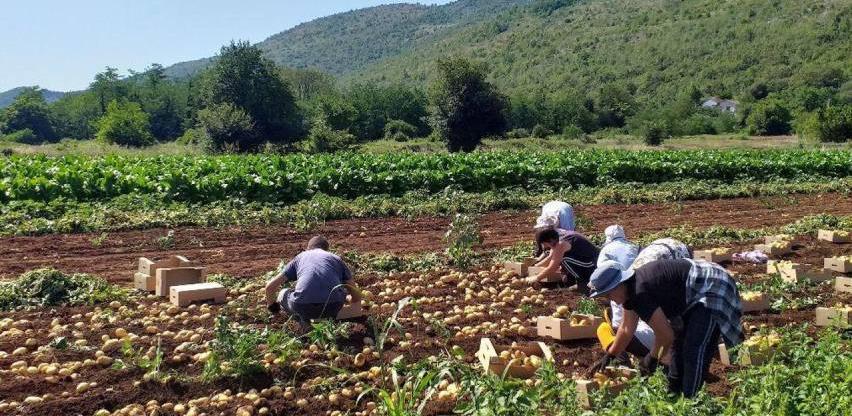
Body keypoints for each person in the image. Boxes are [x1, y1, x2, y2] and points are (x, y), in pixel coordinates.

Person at [586, 259, 743, 397]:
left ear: (618, 285)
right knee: (678, 346)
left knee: (694, 348)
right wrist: (611, 354)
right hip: (692, 292)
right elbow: (627, 328)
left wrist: (652, 358)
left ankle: (690, 401)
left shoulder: (639, 292)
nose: (609, 300)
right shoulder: (629, 292)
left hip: (711, 285)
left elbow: (666, 335)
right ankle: (674, 392)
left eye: (608, 295)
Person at [265, 236, 362, 329]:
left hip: (303, 307)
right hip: (333, 307)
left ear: (308, 248)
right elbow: (356, 295)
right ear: (326, 249)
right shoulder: (336, 258)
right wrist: (349, 302)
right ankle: (327, 318)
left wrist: (274, 310)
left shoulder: (300, 257)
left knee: (283, 293)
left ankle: (303, 321)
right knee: (341, 290)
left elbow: (270, 287)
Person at [595, 226, 650, 357]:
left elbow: (603, 273)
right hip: (635, 281)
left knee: (620, 322)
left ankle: (621, 349)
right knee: (637, 315)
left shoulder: (606, 250)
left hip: (617, 284)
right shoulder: (633, 246)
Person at [527, 228, 599, 294]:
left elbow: (553, 266)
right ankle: (573, 280)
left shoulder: (561, 244)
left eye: (544, 244)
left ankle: (584, 284)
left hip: (593, 264)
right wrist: (535, 267)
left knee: (564, 260)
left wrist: (536, 278)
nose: (545, 247)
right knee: (564, 270)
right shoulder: (557, 239)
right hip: (587, 259)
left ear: (550, 240)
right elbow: (550, 258)